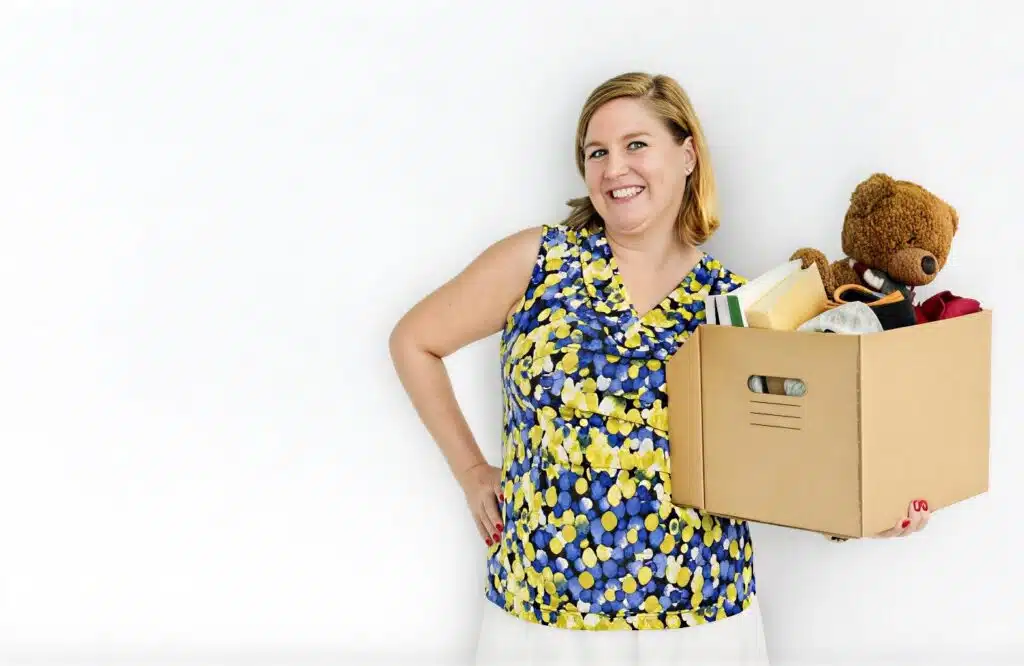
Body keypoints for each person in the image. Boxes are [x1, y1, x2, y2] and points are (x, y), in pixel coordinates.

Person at [388, 71, 932, 666]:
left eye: (636, 145)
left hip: (698, 614)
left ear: (688, 155)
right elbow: (415, 342)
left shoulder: (737, 304)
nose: (614, 168)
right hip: (541, 609)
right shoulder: (538, 261)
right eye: (597, 152)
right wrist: (471, 471)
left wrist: (873, 509)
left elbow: (787, 453)